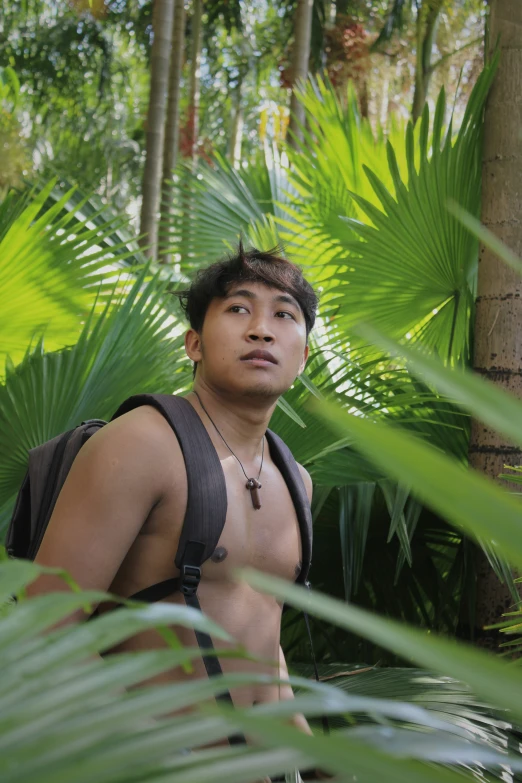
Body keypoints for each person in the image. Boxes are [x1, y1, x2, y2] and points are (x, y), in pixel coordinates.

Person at [28, 243, 324, 778]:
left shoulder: (296, 480)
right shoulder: (144, 443)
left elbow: (263, 645)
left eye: (285, 314)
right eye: (238, 309)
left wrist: (323, 767)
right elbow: (44, 625)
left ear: (303, 356)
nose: (262, 329)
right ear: (194, 343)